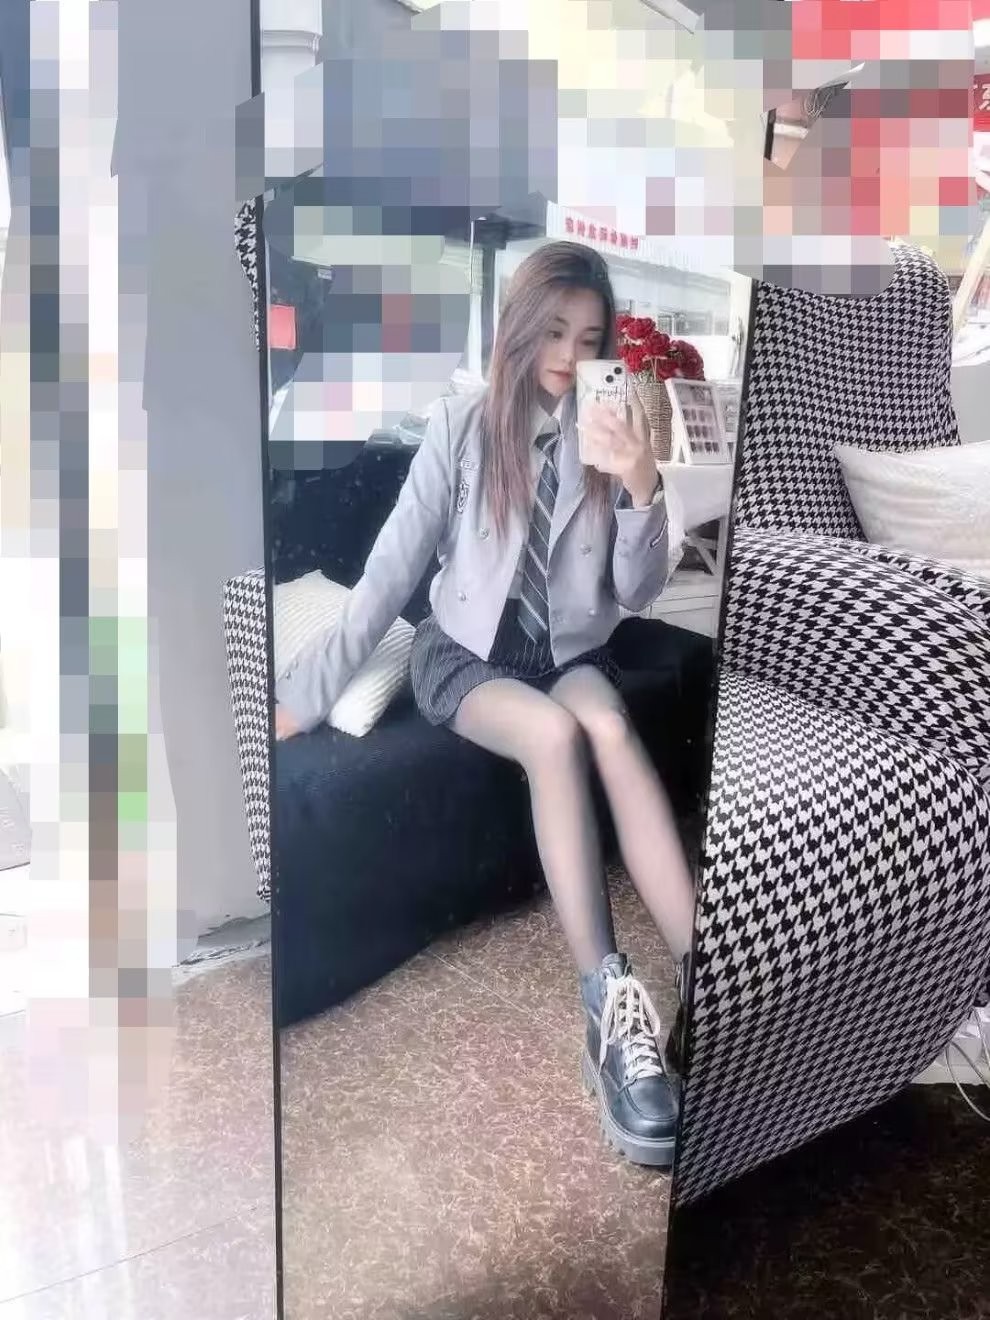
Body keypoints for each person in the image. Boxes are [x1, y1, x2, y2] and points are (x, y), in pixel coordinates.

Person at [274, 240, 695, 1169]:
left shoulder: (609, 427)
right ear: (519, 326)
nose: (569, 354)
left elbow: (637, 590)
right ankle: (609, 1004)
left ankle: (718, 978)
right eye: (553, 330)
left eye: (589, 337)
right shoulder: (465, 423)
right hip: (466, 658)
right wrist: (305, 695)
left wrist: (640, 484)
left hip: (567, 653)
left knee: (609, 724)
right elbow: (389, 574)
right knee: (554, 736)